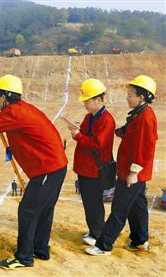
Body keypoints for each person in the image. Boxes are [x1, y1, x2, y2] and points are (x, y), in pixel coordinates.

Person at [0, 74, 68, 269]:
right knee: (44, 210)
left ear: (3, 97)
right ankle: (40, 249)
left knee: (28, 211)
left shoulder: (16, 113)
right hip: (55, 166)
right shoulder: (21, 108)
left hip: (47, 168)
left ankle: (24, 257)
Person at [86, 75, 158, 256]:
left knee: (119, 209)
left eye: (130, 94)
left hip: (132, 173)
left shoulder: (146, 118)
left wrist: (134, 173)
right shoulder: (139, 114)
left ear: (141, 97)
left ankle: (104, 246)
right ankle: (140, 240)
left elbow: (145, 148)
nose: (127, 97)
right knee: (138, 206)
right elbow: (130, 133)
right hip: (131, 171)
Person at [66, 79, 115, 247]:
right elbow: (87, 135)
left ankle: (98, 233)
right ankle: (94, 230)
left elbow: (97, 144)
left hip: (95, 170)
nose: (85, 104)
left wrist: (78, 136)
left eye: (87, 101)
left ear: (99, 100)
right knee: (88, 202)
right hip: (85, 168)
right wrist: (77, 131)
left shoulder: (106, 120)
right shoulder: (90, 117)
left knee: (94, 203)